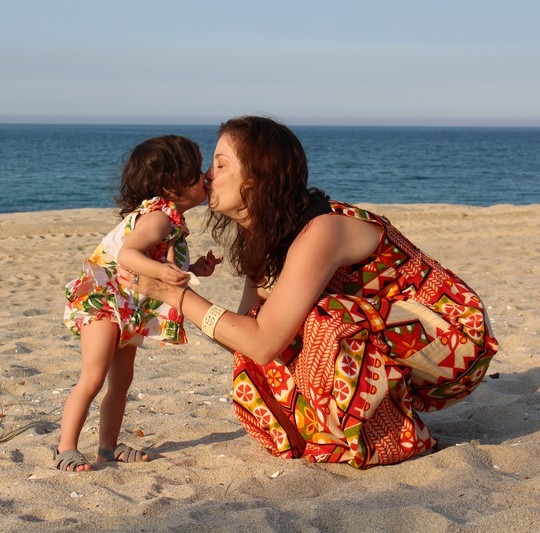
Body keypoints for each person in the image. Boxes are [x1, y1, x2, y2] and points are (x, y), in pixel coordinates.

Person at [119, 116, 499, 469]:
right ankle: (334, 429)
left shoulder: (322, 229)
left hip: (454, 336)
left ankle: (394, 438)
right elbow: (248, 343)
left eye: (220, 164)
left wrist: (175, 295)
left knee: (324, 319)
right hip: (396, 334)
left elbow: (264, 342)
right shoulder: (268, 237)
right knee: (264, 329)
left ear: (256, 176)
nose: (205, 176)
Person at [54, 135, 223, 472]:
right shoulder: (159, 217)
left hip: (130, 308)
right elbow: (128, 254)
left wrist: (191, 271)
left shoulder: (173, 222)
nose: (206, 176)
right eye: (195, 172)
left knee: (122, 382)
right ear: (170, 186)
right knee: (94, 376)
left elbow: (157, 262)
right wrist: (161, 269)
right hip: (105, 300)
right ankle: (65, 448)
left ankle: (106, 447)